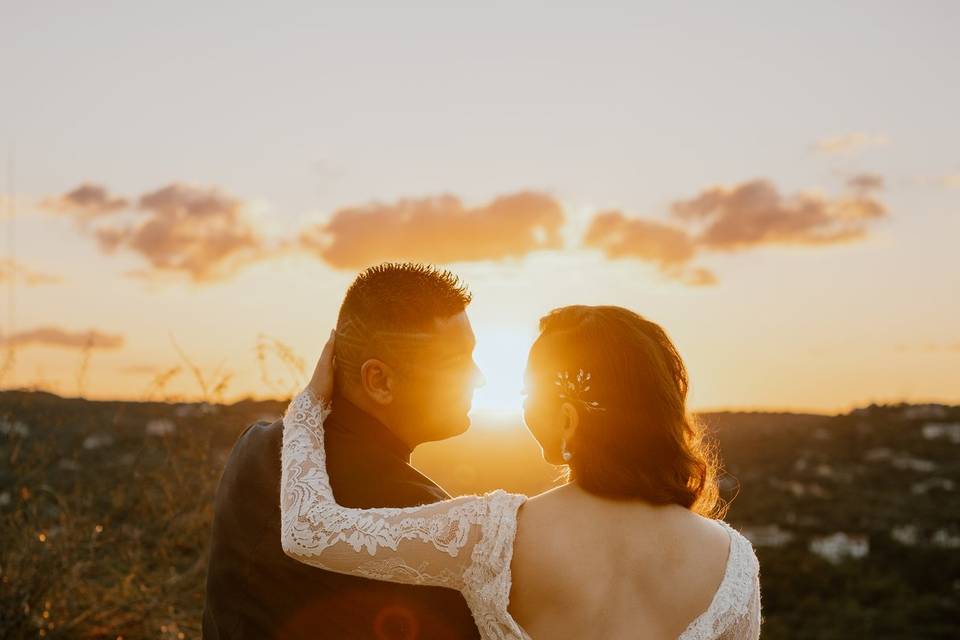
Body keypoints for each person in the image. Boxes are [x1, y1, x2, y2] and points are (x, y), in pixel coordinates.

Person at [280, 305, 762, 639]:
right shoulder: (733, 564)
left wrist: (307, 409)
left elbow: (308, 530)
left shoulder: (492, 536)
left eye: (529, 397)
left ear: (570, 420)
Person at [203, 263, 483, 639]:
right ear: (379, 380)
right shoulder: (422, 523)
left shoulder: (254, 447)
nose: (479, 377)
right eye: (456, 363)